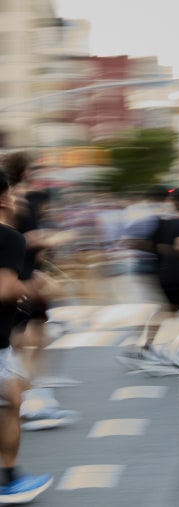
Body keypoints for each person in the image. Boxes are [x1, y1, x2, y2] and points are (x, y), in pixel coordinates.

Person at [0, 170, 54, 503]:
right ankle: (9, 480)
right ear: (4, 198)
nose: (21, 199)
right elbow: (3, 288)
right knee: (11, 402)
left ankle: (10, 477)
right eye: (16, 193)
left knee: (13, 396)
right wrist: (35, 286)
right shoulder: (8, 237)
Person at [116, 187, 179, 372]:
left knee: (167, 311)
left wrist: (165, 251)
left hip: (163, 275)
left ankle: (146, 347)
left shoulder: (161, 222)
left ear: (172, 200)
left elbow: (145, 244)